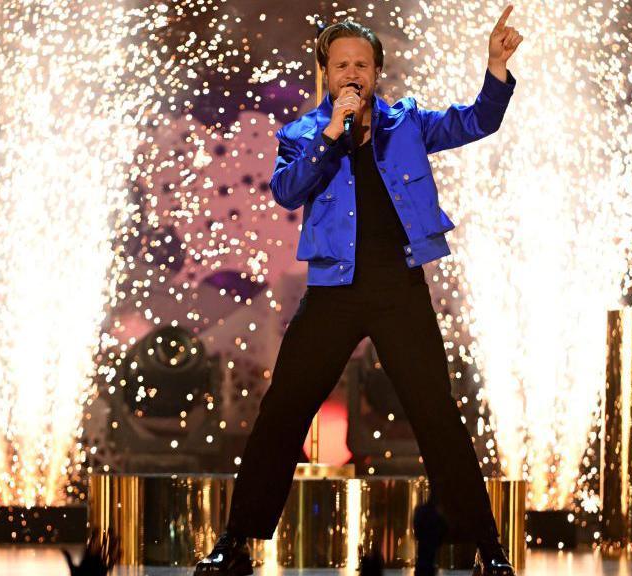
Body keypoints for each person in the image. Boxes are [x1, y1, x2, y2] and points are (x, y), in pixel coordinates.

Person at [194, 7, 523, 576]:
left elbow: (476, 122)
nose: (353, 73)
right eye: (342, 63)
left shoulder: (408, 124)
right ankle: (236, 542)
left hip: (398, 285)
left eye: (363, 65)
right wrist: (329, 134)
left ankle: (487, 549)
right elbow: (287, 193)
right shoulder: (302, 134)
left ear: (377, 72)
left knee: (437, 415)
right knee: (284, 410)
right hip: (333, 289)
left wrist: (495, 70)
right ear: (325, 71)